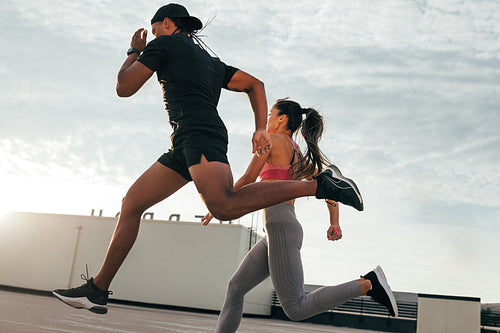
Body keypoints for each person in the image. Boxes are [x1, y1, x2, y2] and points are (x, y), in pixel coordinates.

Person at [52, 4, 363, 315]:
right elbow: (256, 85)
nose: (155, 33)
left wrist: (134, 51)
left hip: (199, 135)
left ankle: (319, 185)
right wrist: (259, 128)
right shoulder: (211, 62)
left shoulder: (163, 44)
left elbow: (124, 87)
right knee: (131, 204)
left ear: (169, 23)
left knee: (224, 206)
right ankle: (98, 290)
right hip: (184, 142)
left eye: (156, 27)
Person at [202, 99, 398, 332]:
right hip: (276, 231)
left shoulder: (271, 141)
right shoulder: (297, 154)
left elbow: (248, 178)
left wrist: (219, 204)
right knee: (235, 287)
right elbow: (329, 189)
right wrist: (334, 223)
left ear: (282, 119)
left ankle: (367, 284)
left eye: (270, 116)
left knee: (295, 307)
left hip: (280, 227)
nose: (267, 120)